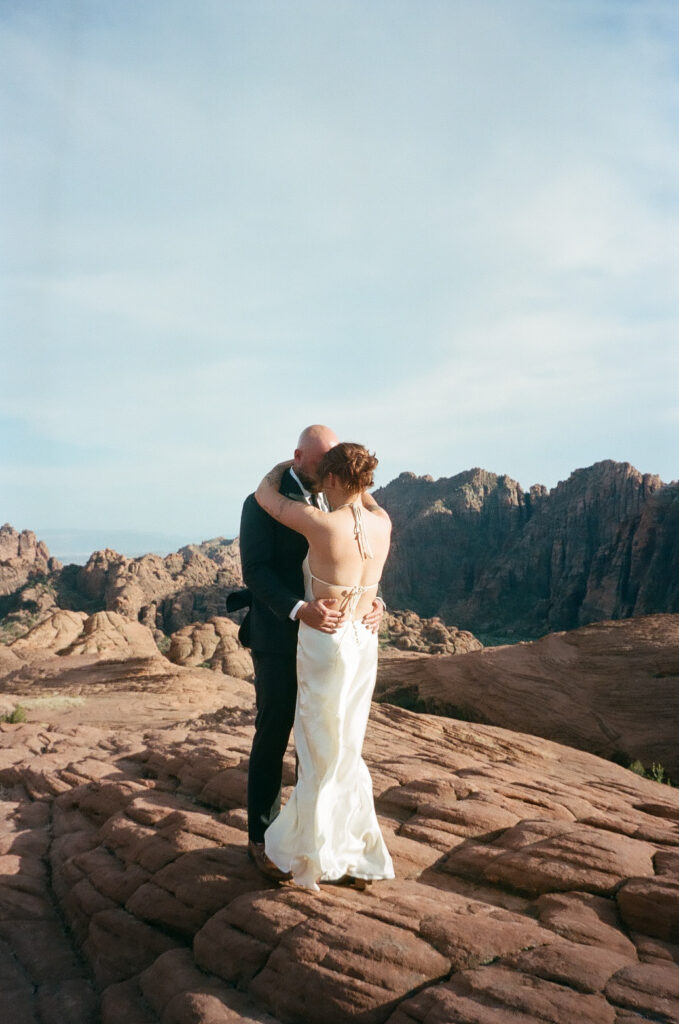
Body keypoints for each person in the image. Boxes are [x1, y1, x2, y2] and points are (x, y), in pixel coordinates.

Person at [234, 425, 384, 881]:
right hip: (280, 636)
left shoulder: (334, 503)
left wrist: (373, 601)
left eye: (334, 464)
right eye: (322, 463)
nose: (327, 473)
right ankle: (261, 839)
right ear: (298, 456)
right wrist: (299, 610)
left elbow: (361, 563)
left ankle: (315, 839)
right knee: (274, 731)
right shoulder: (258, 503)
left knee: (322, 741)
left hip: (334, 640)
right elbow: (254, 570)